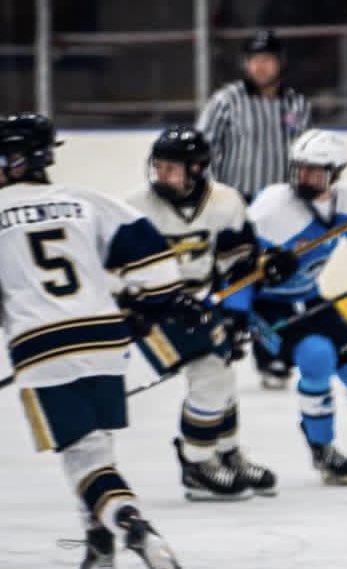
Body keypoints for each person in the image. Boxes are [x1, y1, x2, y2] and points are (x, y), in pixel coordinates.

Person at [0, 113, 187, 569]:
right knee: (96, 452)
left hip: (43, 348)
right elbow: (160, 272)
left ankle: (134, 527)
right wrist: (143, 313)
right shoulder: (87, 201)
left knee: (83, 461)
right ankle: (99, 545)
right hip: (106, 342)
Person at [224, 129, 347, 485]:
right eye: (299, 168)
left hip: (309, 297)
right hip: (268, 306)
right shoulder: (273, 207)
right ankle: (325, 453)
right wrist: (237, 312)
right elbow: (236, 265)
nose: (303, 177)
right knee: (316, 358)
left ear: (335, 173)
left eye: (314, 171)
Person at [126, 126, 281, 501]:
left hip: (200, 301)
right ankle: (196, 463)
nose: (161, 175)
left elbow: (240, 266)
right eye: (158, 166)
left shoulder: (225, 203)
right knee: (210, 372)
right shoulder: (135, 208)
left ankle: (225, 453)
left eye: (171, 168)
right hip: (152, 306)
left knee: (223, 372)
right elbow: (121, 271)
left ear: (196, 170)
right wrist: (152, 302)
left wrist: (236, 315)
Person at [197, 29, 311, 390]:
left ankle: (274, 355)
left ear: (280, 63)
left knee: (274, 284)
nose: (261, 66)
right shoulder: (225, 101)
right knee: (231, 281)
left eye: (268, 59)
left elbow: (306, 157)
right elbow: (202, 151)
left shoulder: (296, 105)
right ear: (246, 64)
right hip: (235, 206)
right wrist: (212, 201)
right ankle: (221, 346)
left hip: (279, 208)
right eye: (255, 60)